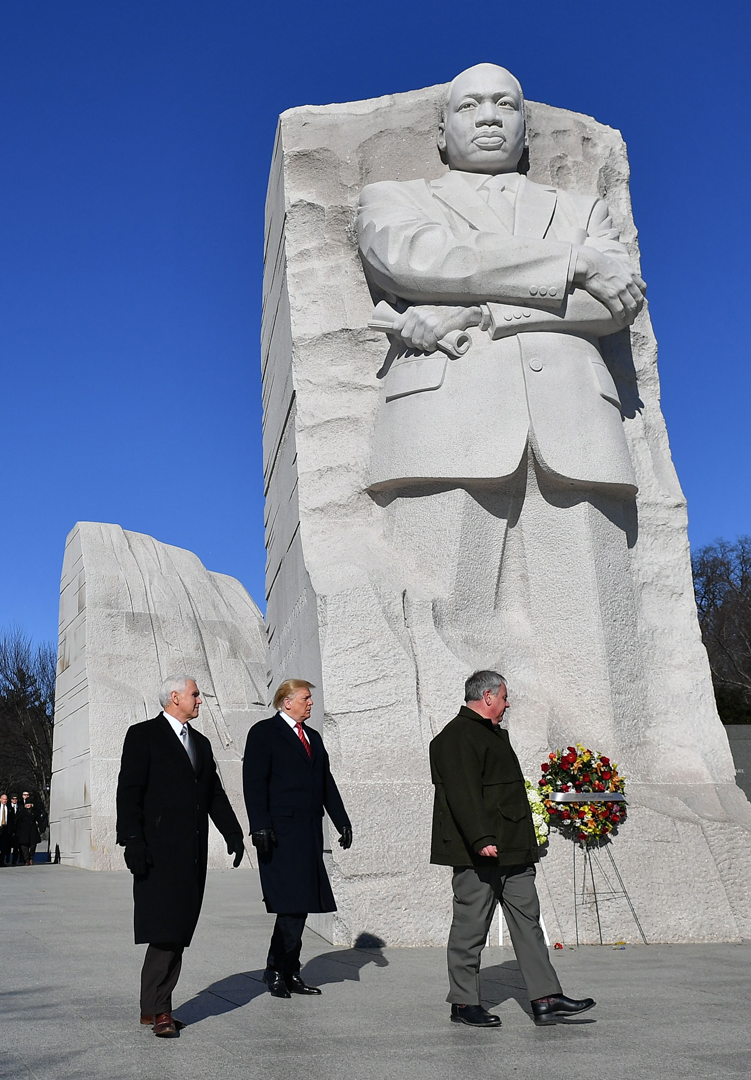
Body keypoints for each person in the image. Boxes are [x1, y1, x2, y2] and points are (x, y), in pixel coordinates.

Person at [355, 62, 660, 778]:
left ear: (526, 128)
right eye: (469, 105)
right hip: (442, 425)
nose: (488, 115)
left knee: (594, 634)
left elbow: (615, 304)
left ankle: (605, 784)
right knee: (440, 615)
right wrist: (572, 265)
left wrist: (487, 312)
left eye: (505, 104)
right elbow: (416, 259)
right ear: (441, 129)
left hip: (576, 429)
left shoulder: (581, 207)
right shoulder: (396, 197)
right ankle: (457, 791)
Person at [430, 670, 594, 1028]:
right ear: (487, 696)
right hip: (481, 853)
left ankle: (546, 998)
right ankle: (463, 1004)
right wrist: (480, 839)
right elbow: (462, 794)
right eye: (504, 697)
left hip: (513, 851)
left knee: (528, 922)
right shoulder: (456, 736)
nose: (508, 704)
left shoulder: (490, 734)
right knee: (471, 928)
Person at [117, 674, 246, 1038]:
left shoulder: (200, 744)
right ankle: (160, 1010)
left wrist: (233, 833)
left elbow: (214, 795)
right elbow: (128, 791)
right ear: (174, 698)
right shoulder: (142, 735)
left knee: (179, 931)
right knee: (164, 929)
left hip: (190, 855)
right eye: (195, 694)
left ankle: (151, 1008)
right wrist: (131, 841)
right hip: (155, 853)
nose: (200, 700)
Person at [242, 678, 352, 998]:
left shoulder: (313, 738)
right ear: (286, 701)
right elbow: (254, 782)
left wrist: (341, 820)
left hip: (307, 833)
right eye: (305, 698)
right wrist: (259, 825)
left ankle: (290, 970)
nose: (310, 703)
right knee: (290, 905)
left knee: (300, 905)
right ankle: (276, 968)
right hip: (277, 834)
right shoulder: (263, 733)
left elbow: (325, 782)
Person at [15, 791, 41, 866]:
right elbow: (18, 821)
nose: (28, 805)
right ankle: (26, 859)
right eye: (27, 804)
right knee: (24, 846)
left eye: (29, 804)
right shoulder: (21, 812)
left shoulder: (35, 811)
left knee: (33, 845)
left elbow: (39, 819)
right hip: (23, 831)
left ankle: (31, 858)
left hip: (32, 830)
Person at [0, 794, 15, 867]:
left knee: (5, 846)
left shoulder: (10, 808)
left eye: (6, 799)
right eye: (3, 799)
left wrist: (11, 830)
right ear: (0, 799)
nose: (5, 801)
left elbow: (12, 820)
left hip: (6, 828)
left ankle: (2, 861)